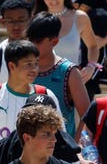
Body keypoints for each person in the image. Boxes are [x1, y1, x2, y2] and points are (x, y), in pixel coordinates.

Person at [28, 9, 94, 138]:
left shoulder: (70, 72)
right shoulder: (22, 68)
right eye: (31, 40)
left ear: (54, 41)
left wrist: (75, 146)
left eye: (38, 41)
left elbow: (87, 116)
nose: (32, 45)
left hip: (60, 153)